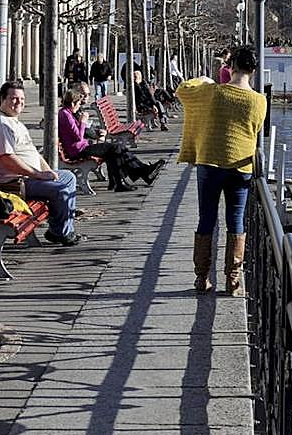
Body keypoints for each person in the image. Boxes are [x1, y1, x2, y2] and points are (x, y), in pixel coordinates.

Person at [176, 46, 267, 296]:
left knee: (207, 218)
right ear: (254, 70)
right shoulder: (260, 100)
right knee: (235, 221)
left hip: (210, 164)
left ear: (231, 66)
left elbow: (182, 90)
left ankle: (202, 278)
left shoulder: (211, 92)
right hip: (241, 167)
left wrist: (204, 79)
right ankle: (233, 280)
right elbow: (257, 129)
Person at [0, 80, 82, 246]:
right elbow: (7, 158)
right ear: (2, 99)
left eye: (22, 99)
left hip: (30, 177)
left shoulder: (15, 122)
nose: (19, 102)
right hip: (15, 183)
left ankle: (60, 229)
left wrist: (49, 172)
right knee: (62, 188)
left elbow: (33, 154)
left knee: (69, 178)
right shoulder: (0, 124)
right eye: (14, 98)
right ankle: (61, 231)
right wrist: (38, 174)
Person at [58, 88, 164, 191]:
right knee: (115, 149)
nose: (79, 106)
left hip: (81, 147)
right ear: (72, 103)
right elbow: (78, 137)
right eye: (78, 104)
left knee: (116, 150)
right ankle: (138, 175)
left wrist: (94, 131)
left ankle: (125, 180)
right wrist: (83, 122)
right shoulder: (66, 115)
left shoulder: (67, 113)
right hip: (78, 150)